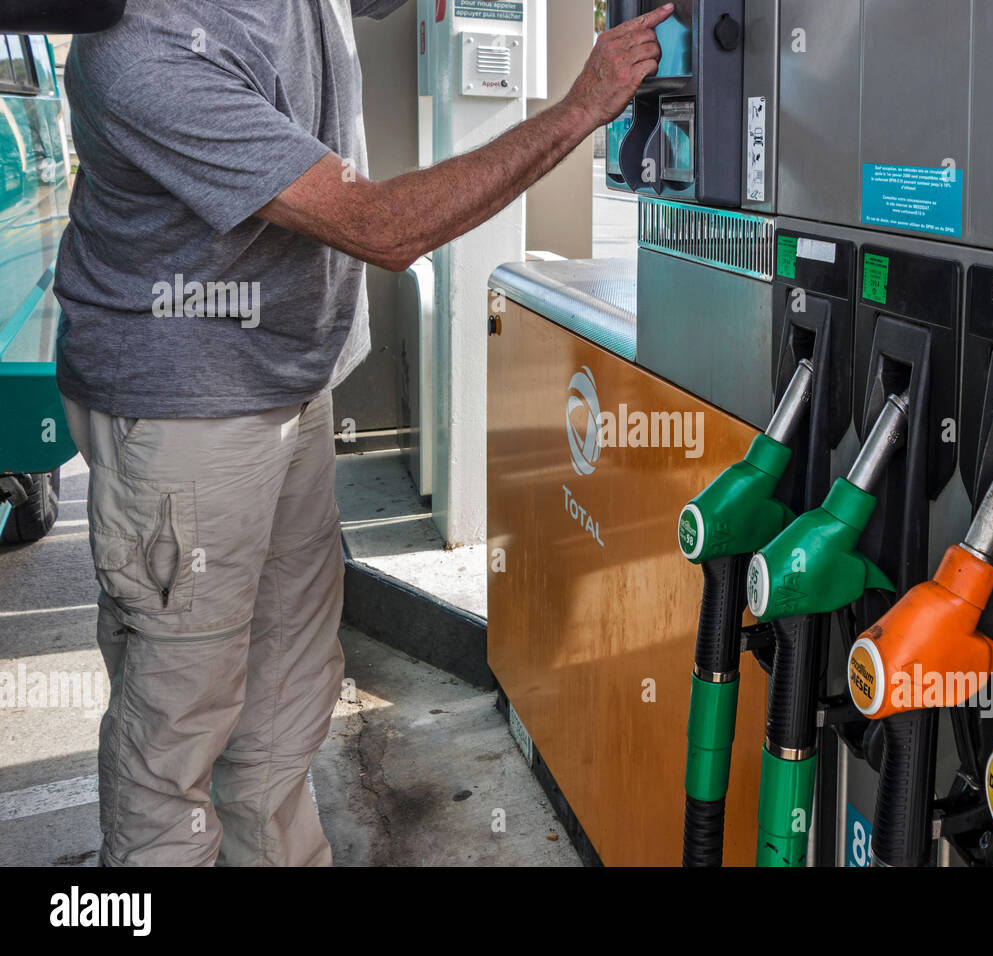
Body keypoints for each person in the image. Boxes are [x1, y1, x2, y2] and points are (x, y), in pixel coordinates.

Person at [53, 0, 673, 867]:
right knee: (178, 723)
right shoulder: (144, 49)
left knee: (288, 690)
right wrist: (580, 107)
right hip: (182, 418)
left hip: (291, 389)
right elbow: (383, 226)